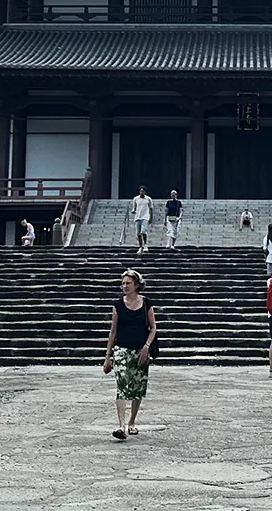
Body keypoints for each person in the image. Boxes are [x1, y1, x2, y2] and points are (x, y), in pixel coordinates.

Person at [100, 268, 157, 440]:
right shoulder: (118, 305)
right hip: (122, 350)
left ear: (137, 285)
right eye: (123, 283)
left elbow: (153, 327)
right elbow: (113, 332)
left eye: (128, 283)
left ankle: (132, 422)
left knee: (138, 387)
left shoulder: (146, 302)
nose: (125, 286)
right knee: (122, 386)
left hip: (140, 350)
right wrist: (107, 356)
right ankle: (121, 425)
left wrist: (147, 346)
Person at [130, 186, 153, 253]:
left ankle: (145, 245)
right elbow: (134, 207)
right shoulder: (136, 199)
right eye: (141, 191)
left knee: (143, 231)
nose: (141, 192)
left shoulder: (148, 199)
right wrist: (133, 210)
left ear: (145, 192)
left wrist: (151, 217)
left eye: (143, 191)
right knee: (138, 234)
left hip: (145, 217)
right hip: (138, 217)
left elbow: (151, 208)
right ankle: (140, 247)